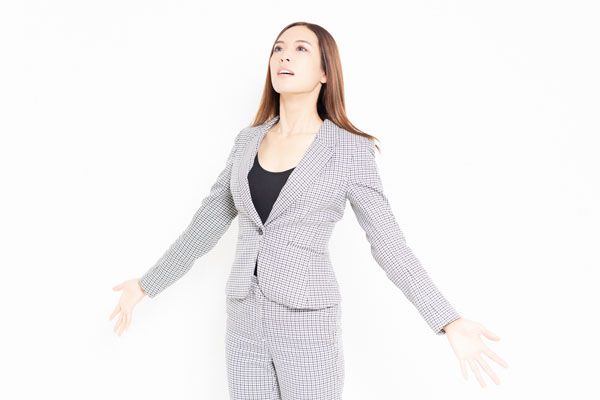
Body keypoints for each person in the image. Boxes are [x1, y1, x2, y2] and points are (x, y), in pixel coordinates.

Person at [109, 21, 509, 398]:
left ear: (325, 72)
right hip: (243, 322)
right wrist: (146, 284)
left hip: (307, 323)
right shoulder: (247, 141)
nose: (284, 55)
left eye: (301, 49)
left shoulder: (350, 149)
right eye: (278, 48)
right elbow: (205, 225)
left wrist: (448, 320)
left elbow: (389, 245)